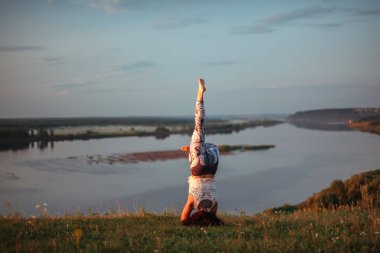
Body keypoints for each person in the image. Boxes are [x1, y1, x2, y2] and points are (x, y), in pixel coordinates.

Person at [180, 78, 222, 226]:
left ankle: (194, 147)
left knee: (206, 143)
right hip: (198, 168)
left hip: (213, 164)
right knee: (199, 124)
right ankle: (200, 93)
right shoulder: (193, 203)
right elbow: (184, 220)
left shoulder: (213, 205)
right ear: (196, 216)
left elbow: (212, 216)